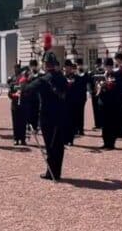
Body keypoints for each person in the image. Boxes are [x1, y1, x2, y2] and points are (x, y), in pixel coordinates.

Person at [24, 52, 68, 181]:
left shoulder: (43, 79)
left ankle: (51, 173)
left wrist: (27, 78)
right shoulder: (62, 77)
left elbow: (27, 90)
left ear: (45, 64)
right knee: (58, 145)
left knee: (50, 145)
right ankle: (56, 171)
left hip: (47, 116)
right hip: (61, 115)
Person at [64, 59, 87, 146]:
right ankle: (65, 139)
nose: (67, 69)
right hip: (64, 102)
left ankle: (70, 139)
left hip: (73, 102)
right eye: (66, 67)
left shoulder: (77, 77)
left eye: (69, 67)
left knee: (71, 122)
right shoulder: (62, 77)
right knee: (64, 122)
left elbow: (80, 89)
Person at [8, 64, 28, 146]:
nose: (16, 71)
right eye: (15, 69)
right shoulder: (13, 80)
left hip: (23, 104)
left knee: (23, 123)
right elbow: (9, 93)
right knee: (15, 122)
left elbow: (28, 91)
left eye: (18, 69)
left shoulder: (25, 80)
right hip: (15, 104)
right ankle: (16, 139)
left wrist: (23, 94)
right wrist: (14, 95)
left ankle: (23, 139)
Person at [113, 52, 122, 139]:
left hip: (121, 93)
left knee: (121, 113)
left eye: (118, 59)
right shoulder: (114, 68)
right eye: (116, 59)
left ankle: (121, 132)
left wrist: (121, 67)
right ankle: (116, 131)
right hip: (114, 94)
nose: (117, 61)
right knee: (115, 113)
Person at [74, 58, 90, 136]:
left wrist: (84, 72)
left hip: (82, 96)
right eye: (77, 65)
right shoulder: (74, 74)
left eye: (80, 65)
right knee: (75, 113)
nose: (78, 66)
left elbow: (88, 81)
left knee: (81, 113)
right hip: (75, 96)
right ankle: (76, 129)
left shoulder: (84, 74)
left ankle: (81, 129)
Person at [90, 58, 104, 130]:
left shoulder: (103, 72)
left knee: (101, 109)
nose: (97, 66)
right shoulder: (92, 72)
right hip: (94, 92)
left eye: (99, 64)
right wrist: (90, 91)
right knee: (95, 109)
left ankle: (102, 123)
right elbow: (90, 83)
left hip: (102, 93)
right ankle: (97, 124)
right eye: (96, 64)